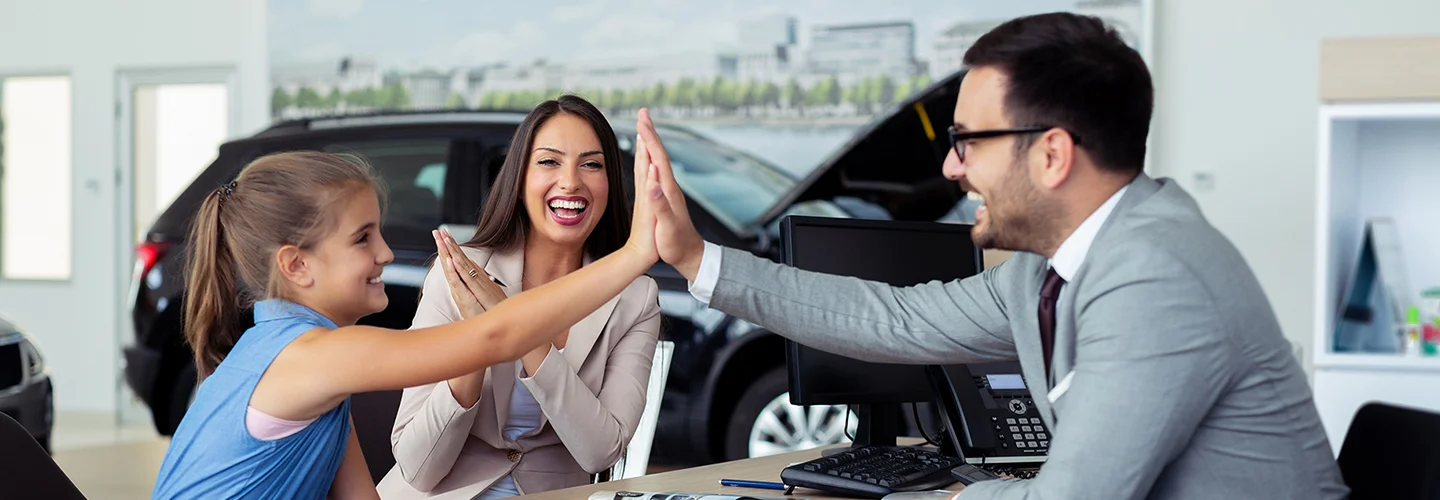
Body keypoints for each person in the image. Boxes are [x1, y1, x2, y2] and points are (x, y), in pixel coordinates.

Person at [636, 13, 1349, 500]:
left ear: (1050, 154)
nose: (950, 168)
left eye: (967, 141)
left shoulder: (1154, 277)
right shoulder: (1051, 266)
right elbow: (895, 319)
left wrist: (948, 493)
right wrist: (700, 260)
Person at [151, 132, 668, 499]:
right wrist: (636, 253)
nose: (386, 254)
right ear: (296, 265)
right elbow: (497, 337)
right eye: (362, 239)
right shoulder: (314, 355)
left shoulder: (304, 361)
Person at [377, 96, 661, 499]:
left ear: (610, 181)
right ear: (519, 177)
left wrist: (514, 324)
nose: (570, 182)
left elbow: (601, 451)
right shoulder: (458, 273)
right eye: (549, 161)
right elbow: (417, 466)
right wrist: (478, 340)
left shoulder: (634, 297)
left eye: (591, 164)